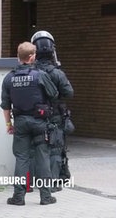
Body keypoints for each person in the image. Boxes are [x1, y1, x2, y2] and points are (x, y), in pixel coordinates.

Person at [0, 42, 59, 205]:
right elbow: (54, 94)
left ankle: (18, 197)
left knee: (21, 158)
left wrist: (8, 125)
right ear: (32, 57)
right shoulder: (40, 75)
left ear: (19, 57)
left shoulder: (9, 78)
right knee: (43, 158)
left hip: (20, 123)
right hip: (40, 122)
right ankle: (46, 196)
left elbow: (5, 106)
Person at [31, 31, 74, 192]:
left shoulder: (29, 72)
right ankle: (53, 183)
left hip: (33, 116)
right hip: (54, 116)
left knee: (35, 149)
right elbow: (69, 93)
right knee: (55, 149)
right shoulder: (57, 73)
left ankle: (34, 182)